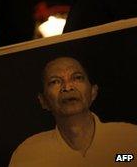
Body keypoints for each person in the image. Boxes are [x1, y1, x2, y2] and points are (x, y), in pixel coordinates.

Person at [9, 57, 137, 167]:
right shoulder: (27, 154)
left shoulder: (130, 137)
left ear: (93, 92)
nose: (67, 87)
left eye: (77, 78)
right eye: (55, 82)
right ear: (43, 101)